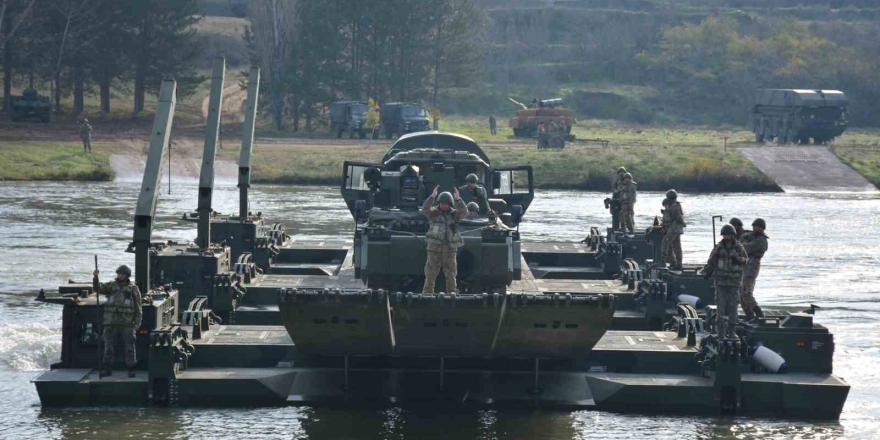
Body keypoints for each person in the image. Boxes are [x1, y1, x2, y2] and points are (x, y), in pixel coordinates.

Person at [93, 264, 142, 377]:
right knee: (108, 346)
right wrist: (95, 278)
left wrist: (138, 322)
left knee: (130, 347)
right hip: (110, 321)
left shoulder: (133, 288)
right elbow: (97, 289)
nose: (120, 275)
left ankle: (131, 369)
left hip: (127, 322)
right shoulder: (111, 286)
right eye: (119, 273)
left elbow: (138, 306)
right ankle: (107, 368)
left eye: (122, 274)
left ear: (127, 276)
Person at [702, 224, 748, 339]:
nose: (726, 237)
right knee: (720, 307)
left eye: (728, 235)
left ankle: (732, 331)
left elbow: (746, 261)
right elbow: (710, 262)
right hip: (721, 282)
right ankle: (721, 332)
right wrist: (708, 271)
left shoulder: (739, 247)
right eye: (725, 235)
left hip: (734, 282)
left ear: (732, 235)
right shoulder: (718, 248)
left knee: (733, 307)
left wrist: (737, 257)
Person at [421, 186, 467, 294]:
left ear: (450, 204)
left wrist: (459, 200)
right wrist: (432, 197)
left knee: (451, 273)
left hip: (449, 249)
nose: (444, 205)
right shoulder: (434, 213)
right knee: (430, 273)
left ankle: (452, 292)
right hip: (434, 248)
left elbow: (464, 213)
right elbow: (424, 210)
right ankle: (427, 293)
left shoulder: (454, 215)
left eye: (446, 203)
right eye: (442, 203)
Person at [739, 218, 769, 320]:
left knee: (746, 292)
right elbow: (740, 244)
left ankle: (758, 312)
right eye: (754, 226)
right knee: (740, 294)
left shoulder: (761, 240)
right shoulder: (749, 236)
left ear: (762, 228)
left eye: (758, 226)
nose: (755, 228)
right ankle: (749, 314)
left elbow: (745, 248)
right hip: (744, 266)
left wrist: (744, 244)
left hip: (752, 268)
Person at [660, 189, 685, 270]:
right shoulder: (672, 205)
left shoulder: (674, 206)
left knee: (665, 242)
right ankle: (675, 263)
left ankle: (664, 261)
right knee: (675, 246)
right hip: (674, 229)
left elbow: (676, 218)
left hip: (674, 229)